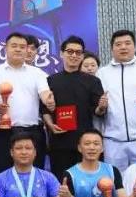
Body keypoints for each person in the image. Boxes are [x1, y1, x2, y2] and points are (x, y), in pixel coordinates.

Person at [0, 33, 54, 172]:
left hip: (32, 132)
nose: (18, 49)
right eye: (14, 46)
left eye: (22, 47)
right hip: (3, 133)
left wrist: (49, 100)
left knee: (35, 174)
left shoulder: (38, 73)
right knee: (3, 173)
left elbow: (44, 93)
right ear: (5, 48)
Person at [42, 36, 104, 182]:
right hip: (59, 142)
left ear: (82, 55)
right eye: (70, 51)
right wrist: (50, 124)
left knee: (87, 184)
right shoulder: (50, 81)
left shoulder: (93, 81)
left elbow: (98, 112)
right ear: (61, 53)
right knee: (61, 184)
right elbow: (44, 109)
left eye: (78, 52)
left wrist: (102, 107)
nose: (74, 55)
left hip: (85, 144)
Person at [96, 30, 136, 171]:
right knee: (115, 180)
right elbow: (97, 108)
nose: (123, 47)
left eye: (127, 43)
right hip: (113, 141)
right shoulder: (102, 73)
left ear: (135, 47)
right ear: (112, 49)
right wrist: (101, 107)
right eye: (118, 44)